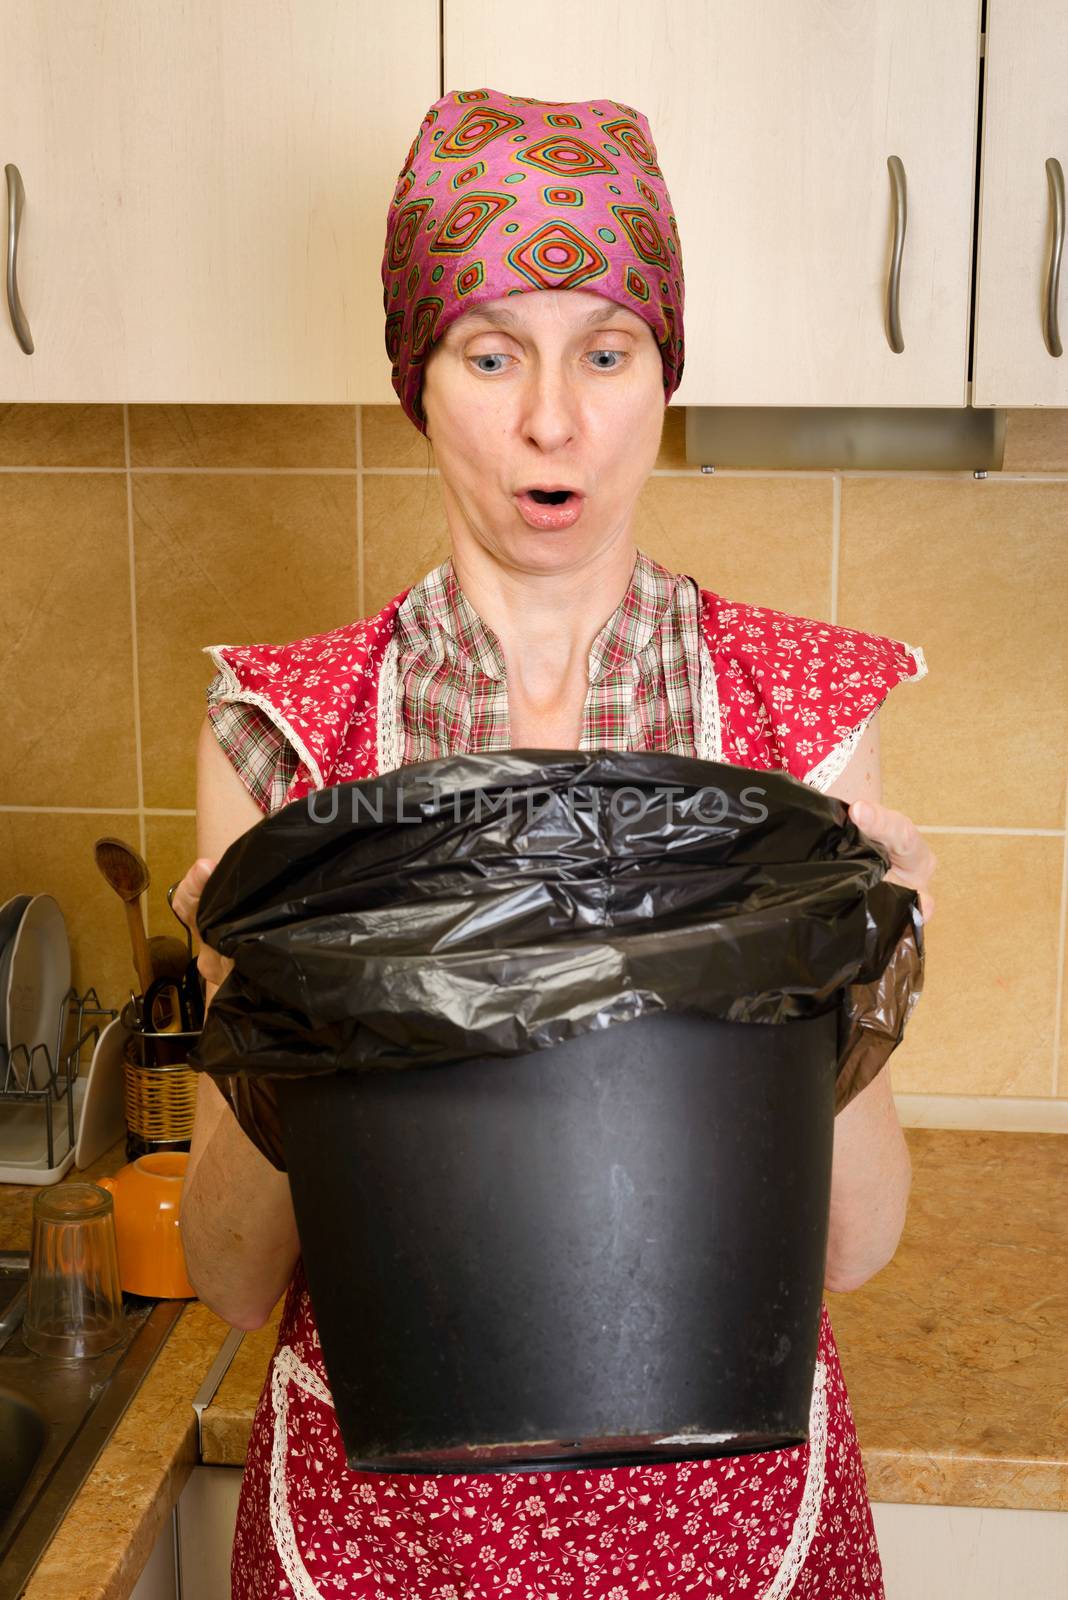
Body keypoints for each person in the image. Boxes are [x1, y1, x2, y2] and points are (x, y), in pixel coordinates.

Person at [174, 87, 937, 1598]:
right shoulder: (285, 729)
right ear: (418, 379)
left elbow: (852, 1246)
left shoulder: (793, 719)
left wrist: (852, 968)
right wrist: (261, 1002)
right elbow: (233, 1277)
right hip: (386, 1540)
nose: (552, 420)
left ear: (664, 374)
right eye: (490, 353)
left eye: (607, 351)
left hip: (729, 1533)